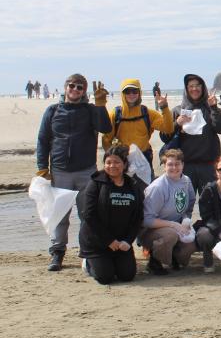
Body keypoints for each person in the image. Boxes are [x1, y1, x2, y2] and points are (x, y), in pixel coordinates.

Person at [36, 74, 111, 271]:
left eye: (79, 87)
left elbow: (105, 127)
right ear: (65, 87)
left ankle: (86, 252)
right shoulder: (52, 111)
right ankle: (57, 252)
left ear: (84, 91)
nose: (75, 90)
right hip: (60, 171)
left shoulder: (90, 110)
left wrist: (101, 105)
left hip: (86, 171)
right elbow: (43, 141)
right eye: (72, 86)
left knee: (88, 214)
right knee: (60, 215)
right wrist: (42, 168)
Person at [78, 146, 146, 285]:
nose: (112, 166)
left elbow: (138, 217)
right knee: (105, 278)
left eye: (116, 162)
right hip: (98, 242)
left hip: (121, 243)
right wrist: (109, 241)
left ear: (125, 164)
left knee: (127, 276)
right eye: (108, 162)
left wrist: (128, 241)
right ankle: (88, 263)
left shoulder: (132, 185)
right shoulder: (96, 183)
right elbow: (89, 215)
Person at [161, 74, 221, 194]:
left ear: (203, 88)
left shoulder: (211, 108)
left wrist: (213, 108)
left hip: (209, 166)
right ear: (186, 89)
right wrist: (177, 123)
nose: (194, 89)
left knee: (210, 206)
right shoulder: (177, 111)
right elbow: (164, 137)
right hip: (184, 166)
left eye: (198, 85)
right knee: (182, 206)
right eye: (191, 86)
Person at [140, 149, 196, 275]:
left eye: (177, 164)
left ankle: (172, 256)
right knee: (170, 235)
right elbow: (146, 220)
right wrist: (173, 225)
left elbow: (190, 204)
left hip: (177, 226)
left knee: (189, 247)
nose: (174, 167)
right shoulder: (158, 187)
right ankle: (154, 261)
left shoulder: (186, 181)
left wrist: (186, 221)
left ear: (183, 165)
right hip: (150, 231)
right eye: (170, 164)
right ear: (164, 166)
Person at [101, 79, 174, 170]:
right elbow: (106, 138)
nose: (131, 94)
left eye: (135, 91)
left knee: (146, 184)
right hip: (123, 159)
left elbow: (168, 129)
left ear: (139, 92)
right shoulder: (115, 114)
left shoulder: (148, 113)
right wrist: (112, 157)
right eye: (127, 91)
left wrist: (164, 108)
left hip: (144, 157)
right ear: (123, 93)